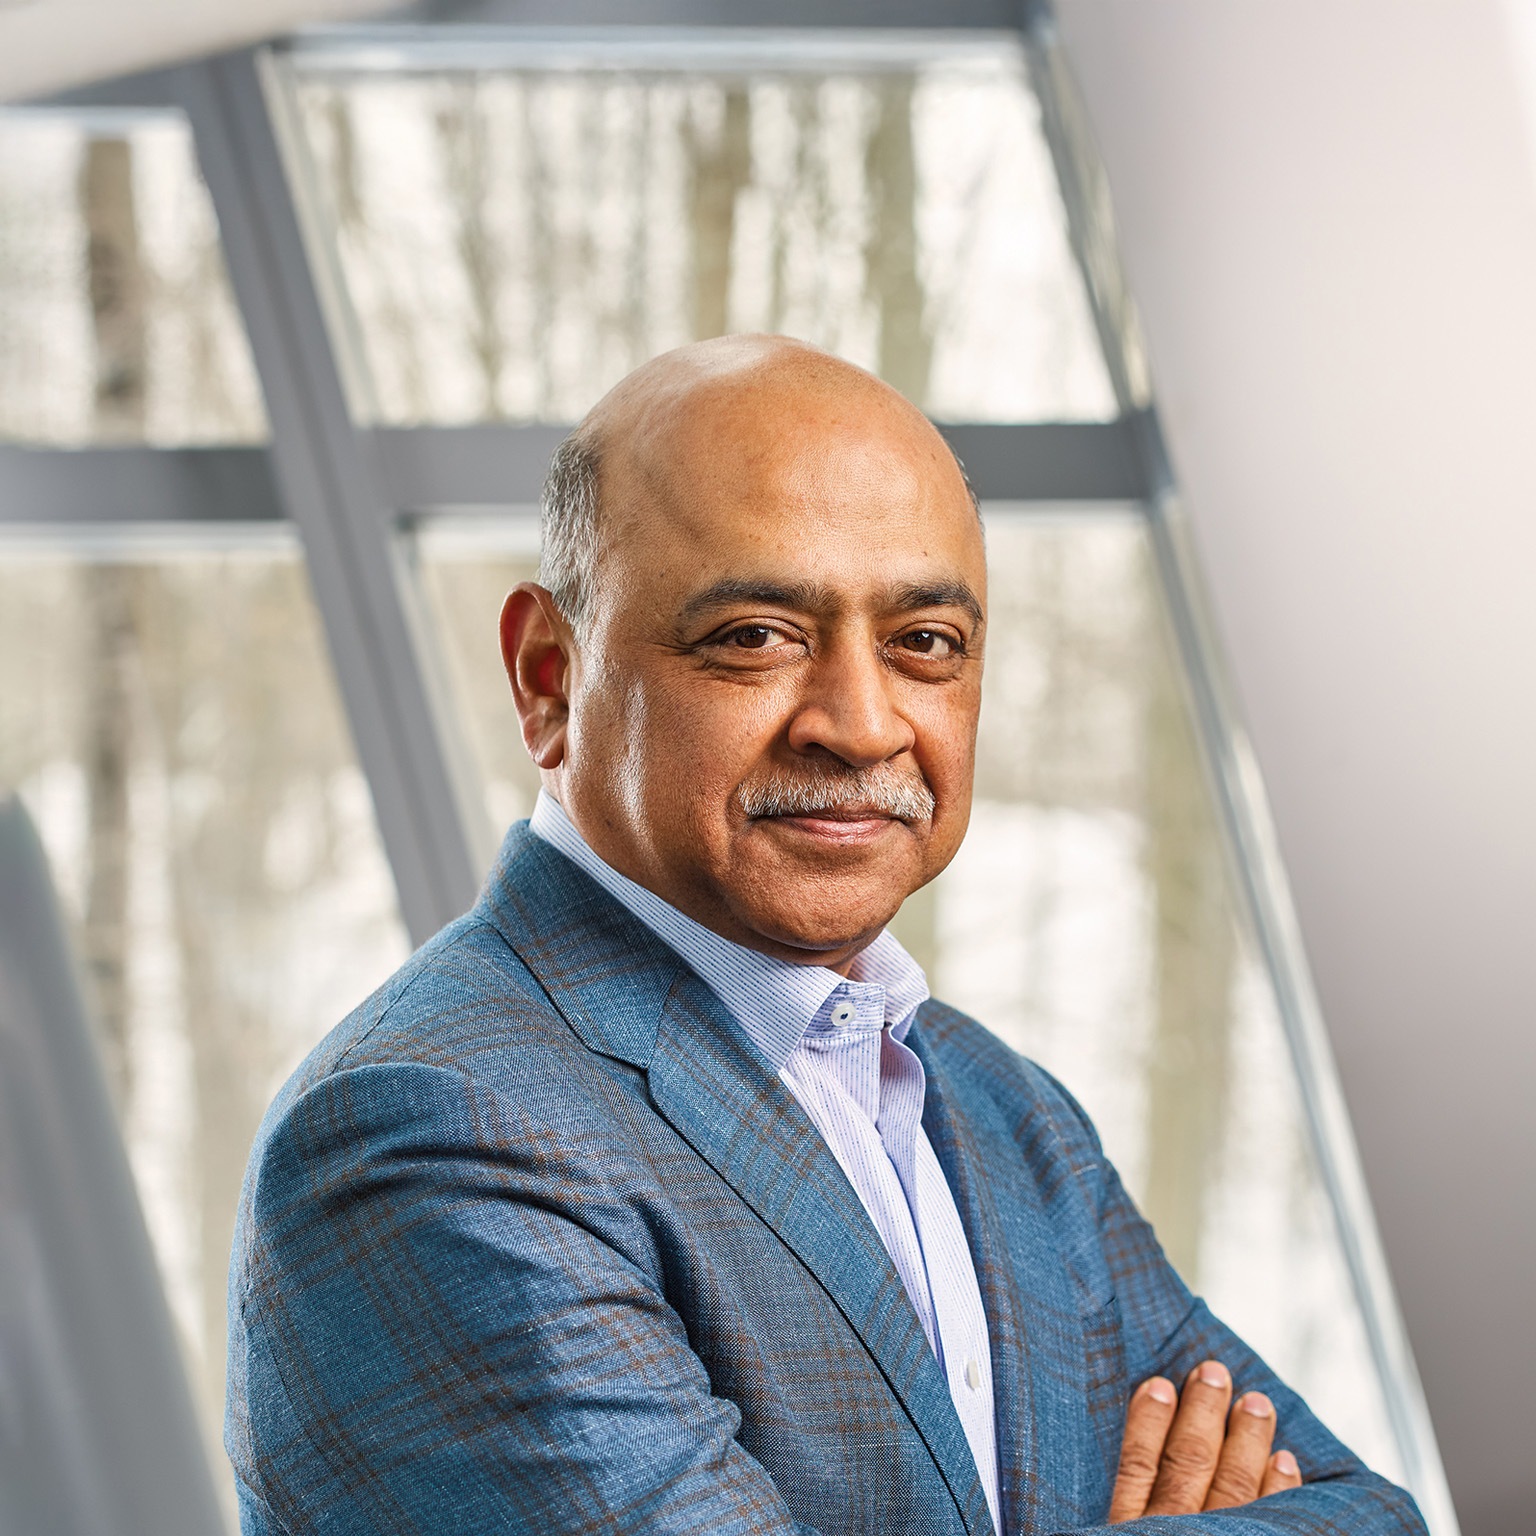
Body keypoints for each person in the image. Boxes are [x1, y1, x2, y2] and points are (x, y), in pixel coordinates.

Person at [225, 336, 1426, 1536]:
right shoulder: (429, 1131)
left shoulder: (1007, 1114)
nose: (860, 725)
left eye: (926, 644)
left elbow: (1370, 1517)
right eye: (755, 635)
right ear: (550, 677)